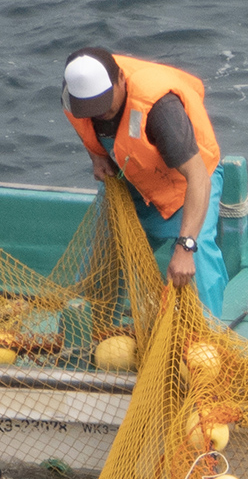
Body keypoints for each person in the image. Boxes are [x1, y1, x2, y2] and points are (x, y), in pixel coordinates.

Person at [60, 47, 228, 317]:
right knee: (105, 259)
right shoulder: (75, 90)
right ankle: (99, 331)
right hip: (129, 178)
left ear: (121, 81)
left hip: (183, 185)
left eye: (104, 104)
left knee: (198, 258)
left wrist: (185, 246)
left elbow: (198, 178)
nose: (98, 114)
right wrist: (96, 156)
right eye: (89, 108)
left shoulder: (162, 110)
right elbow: (82, 125)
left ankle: (207, 338)